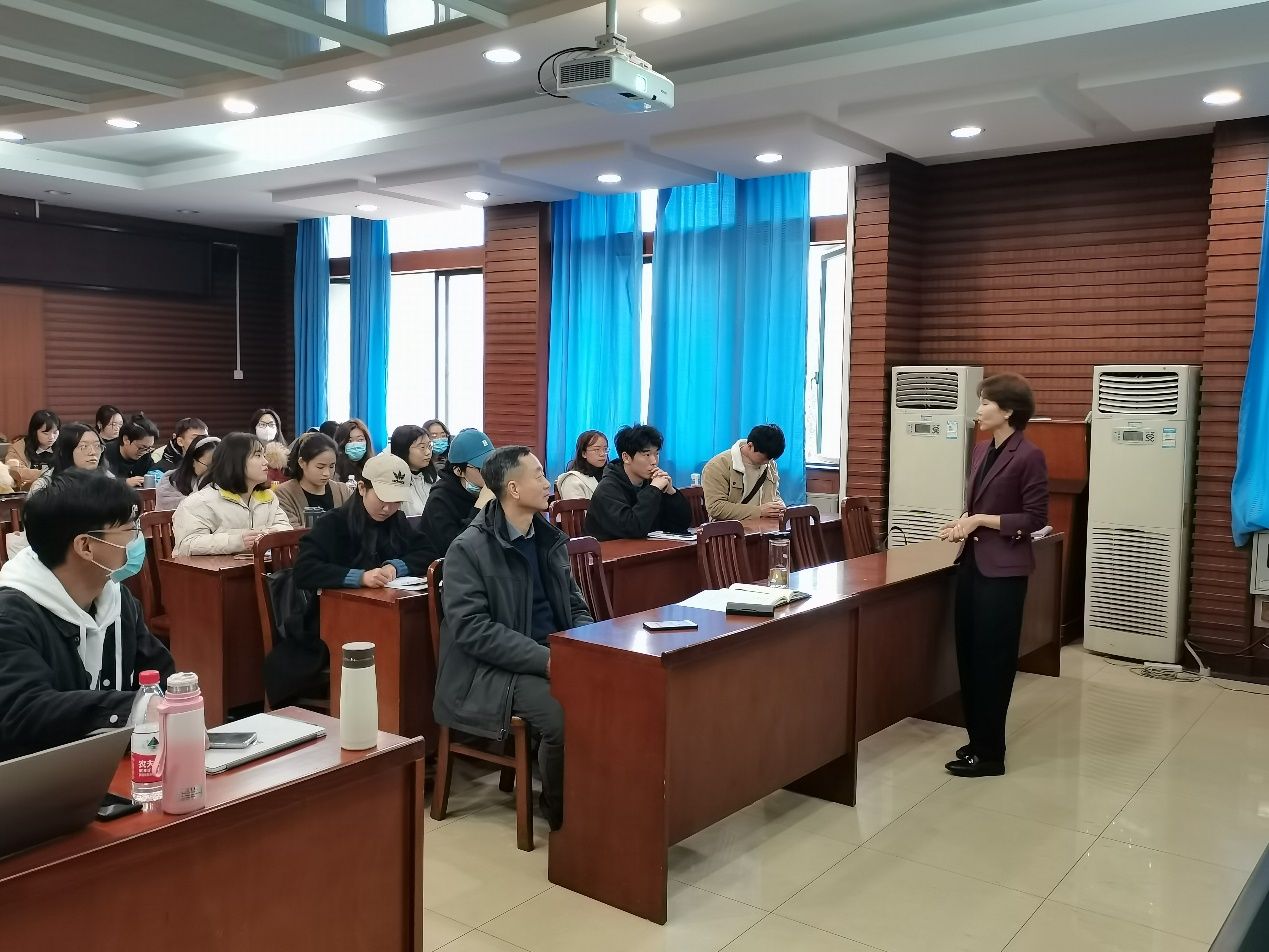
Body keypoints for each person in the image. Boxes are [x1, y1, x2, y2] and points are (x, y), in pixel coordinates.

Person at [434, 445, 594, 831]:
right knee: (561, 715)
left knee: (615, 691)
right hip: (489, 670)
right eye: (538, 475)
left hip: (548, 653)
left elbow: (574, 604)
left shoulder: (548, 538)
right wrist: (546, 661)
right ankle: (564, 817)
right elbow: (474, 630)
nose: (548, 482)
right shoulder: (468, 549)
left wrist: (588, 644)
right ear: (514, 489)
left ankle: (602, 799)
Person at [0, 471, 175, 761]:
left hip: (114, 768)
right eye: (130, 529)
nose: (137, 540)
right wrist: (133, 709)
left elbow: (159, 676)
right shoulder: (11, 616)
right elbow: (22, 709)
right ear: (85, 546)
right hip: (39, 779)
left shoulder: (118, 600)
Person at [938, 373, 1049, 778]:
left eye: (986, 402)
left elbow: (1035, 518)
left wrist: (981, 520)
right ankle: (977, 741)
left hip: (1004, 573)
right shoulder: (982, 449)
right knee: (969, 655)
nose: (978, 409)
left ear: (1008, 411)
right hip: (972, 563)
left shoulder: (1029, 455)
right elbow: (978, 505)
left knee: (993, 660)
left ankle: (991, 754)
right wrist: (963, 522)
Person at [293, 451, 434, 591]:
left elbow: (428, 552)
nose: (387, 508)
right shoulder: (332, 523)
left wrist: (396, 567)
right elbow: (304, 570)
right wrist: (360, 578)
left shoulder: (397, 520)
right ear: (362, 488)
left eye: (396, 501)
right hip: (338, 603)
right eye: (382, 498)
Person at [172, 432, 291, 556]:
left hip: (262, 565)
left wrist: (271, 535)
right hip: (219, 568)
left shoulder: (268, 497)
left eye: (264, 455)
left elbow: (285, 527)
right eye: (258, 455)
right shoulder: (200, 502)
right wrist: (236, 542)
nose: (266, 462)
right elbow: (186, 545)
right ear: (236, 461)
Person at [585, 424, 692, 541]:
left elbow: (681, 524)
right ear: (626, 457)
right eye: (647, 455)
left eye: (656, 453)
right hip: (609, 551)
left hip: (648, 548)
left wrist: (671, 493)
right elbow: (633, 528)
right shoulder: (607, 488)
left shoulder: (652, 482)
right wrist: (653, 490)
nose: (654, 461)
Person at [419, 427, 496, 563]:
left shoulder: (494, 492)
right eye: (482, 468)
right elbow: (455, 550)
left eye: (493, 465)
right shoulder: (440, 499)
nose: (490, 473)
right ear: (458, 470)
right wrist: (479, 507)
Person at [701, 423, 788, 521]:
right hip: (729, 528)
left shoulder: (769, 462)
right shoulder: (717, 466)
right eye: (764, 458)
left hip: (765, 525)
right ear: (750, 446)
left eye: (771, 458)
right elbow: (716, 508)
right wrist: (759, 511)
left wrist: (779, 506)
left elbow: (774, 494)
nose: (768, 462)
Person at [273, 433, 353, 528]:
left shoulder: (344, 491)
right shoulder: (284, 494)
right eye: (320, 467)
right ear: (302, 463)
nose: (327, 473)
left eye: (331, 466)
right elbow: (291, 531)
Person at [28, 424, 105, 496]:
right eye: (84, 446)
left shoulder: (108, 480)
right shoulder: (43, 487)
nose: (93, 452)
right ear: (65, 451)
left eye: (97, 445)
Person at [155, 434, 219, 511]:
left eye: (219, 465)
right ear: (193, 461)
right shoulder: (170, 483)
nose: (213, 470)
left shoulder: (223, 482)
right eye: (209, 465)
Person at [4, 409, 60, 491]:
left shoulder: (64, 445)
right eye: (45, 433)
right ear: (34, 431)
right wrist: (47, 474)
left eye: (55, 432)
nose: (51, 437)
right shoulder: (18, 448)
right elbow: (14, 471)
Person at [390, 424, 438, 516]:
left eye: (429, 446)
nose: (428, 452)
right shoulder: (393, 482)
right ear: (403, 449)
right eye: (422, 447)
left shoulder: (435, 478)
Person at [101, 413, 160, 486]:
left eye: (149, 448)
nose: (145, 452)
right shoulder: (105, 453)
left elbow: (155, 471)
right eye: (141, 447)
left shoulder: (145, 454)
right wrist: (124, 483)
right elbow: (99, 482)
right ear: (126, 439)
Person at [555, 430, 608, 500]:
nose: (603, 454)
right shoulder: (572, 480)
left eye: (605, 449)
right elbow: (575, 506)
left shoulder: (609, 475)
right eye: (596, 450)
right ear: (584, 453)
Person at [250, 408, 288, 483]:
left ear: (277, 429)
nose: (267, 428)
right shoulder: (248, 453)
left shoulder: (286, 455)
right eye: (262, 424)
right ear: (254, 428)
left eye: (271, 424)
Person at [334, 418, 374, 483]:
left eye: (360, 440)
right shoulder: (334, 472)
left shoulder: (373, 467)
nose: (355, 445)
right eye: (349, 441)